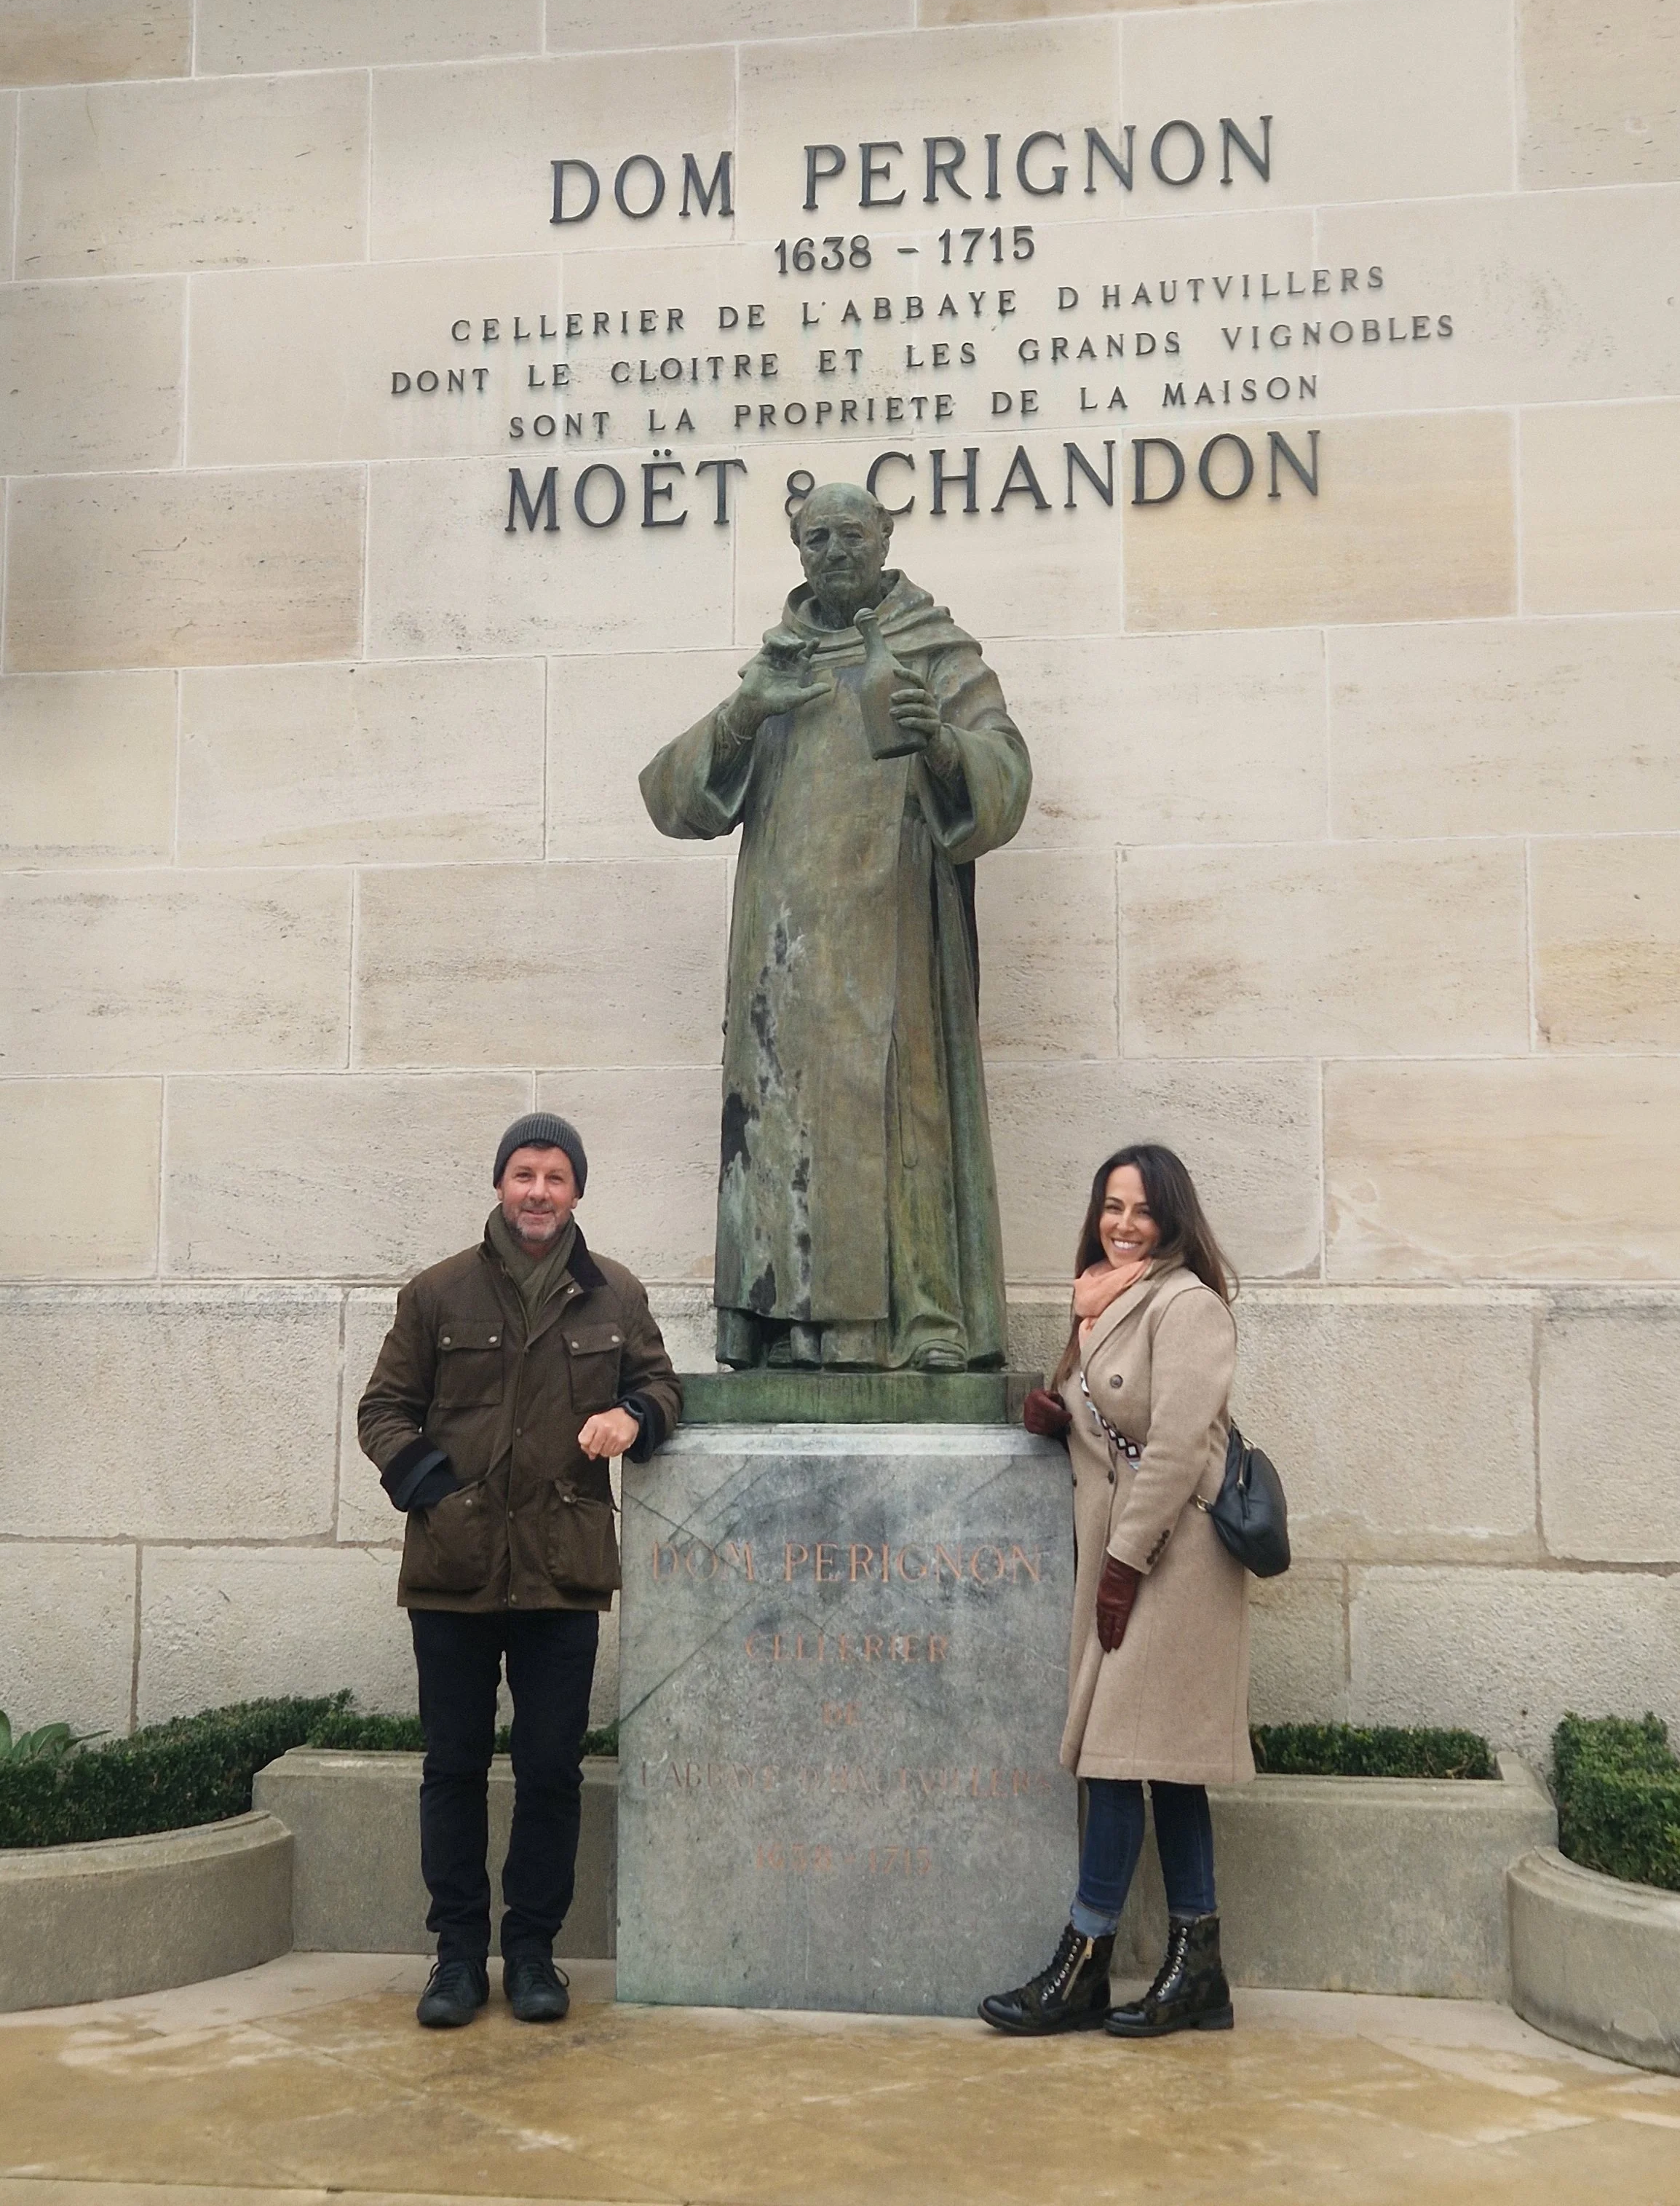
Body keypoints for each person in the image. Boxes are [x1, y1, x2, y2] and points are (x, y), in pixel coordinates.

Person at [639, 481, 1031, 1375]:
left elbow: (1004, 777)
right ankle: (786, 1329)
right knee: (783, 1133)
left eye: (851, 534)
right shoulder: (779, 663)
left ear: (886, 535)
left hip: (895, 927)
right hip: (781, 952)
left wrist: (939, 742)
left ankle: (921, 1321)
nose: (833, 551)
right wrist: (744, 713)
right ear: (797, 547)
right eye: (816, 537)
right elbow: (670, 798)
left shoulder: (937, 649)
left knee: (902, 1119)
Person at [357, 1112, 682, 2031]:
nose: (538, 1191)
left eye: (556, 1177)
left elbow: (661, 1386)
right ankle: (457, 1957)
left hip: (562, 1571)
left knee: (550, 1771)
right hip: (453, 1573)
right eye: (523, 1174)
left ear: (578, 1192)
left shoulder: (614, 1294)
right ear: (499, 1184)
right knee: (453, 1767)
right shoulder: (437, 1294)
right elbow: (383, 1409)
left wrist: (634, 1420)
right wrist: (438, 1493)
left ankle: (534, 1953)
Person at [980, 1144, 1250, 2039]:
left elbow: (1174, 1447)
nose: (1123, 1223)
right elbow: (1113, 1420)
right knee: (1158, 1766)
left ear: (1172, 1219)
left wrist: (1126, 1566)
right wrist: (1059, 1416)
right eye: (1111, 1206)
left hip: (1171, 1560)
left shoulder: (1189, 1305)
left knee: (1118, 1758)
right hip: (1126, 1561)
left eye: (1140, 1210)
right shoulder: (1100, 1300)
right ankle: (1195, 1964)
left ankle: (1085, 1960)